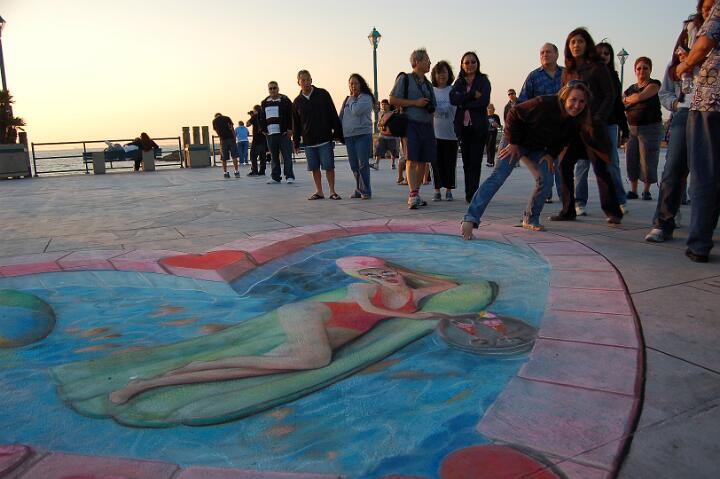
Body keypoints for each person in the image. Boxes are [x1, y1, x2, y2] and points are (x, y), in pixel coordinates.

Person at [108, 256, 459, 405]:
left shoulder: (413, 294)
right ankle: (153, 381)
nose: (385, 277)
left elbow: (448, 285)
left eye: (387, 272)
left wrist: (410, 275)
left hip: (328, 330)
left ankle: (151, 382)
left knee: (257, 367)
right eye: (377, 274)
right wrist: (416, 318)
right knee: (315, 360)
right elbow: (368, 311)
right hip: (311, 316)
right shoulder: (363, 288)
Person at [461, 82, 593, 239]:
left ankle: (530, 218)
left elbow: (563, 141)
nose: (577, 105)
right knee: (498, 176)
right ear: (565, 97)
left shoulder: (577, 120)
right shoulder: (544, 103)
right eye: (573, 100)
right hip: (515, 141)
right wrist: (513, 142)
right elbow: (514, 113)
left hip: (537, 148)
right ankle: (470, 218)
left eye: (581, 101)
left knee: (546, 179)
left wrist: (551, 155)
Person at [645, 0, 712, 243]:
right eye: (706, 9)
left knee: (706, 175)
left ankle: (702, 230)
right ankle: (663, 222)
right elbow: (670, 79)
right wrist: (676, 104)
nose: (710, 13)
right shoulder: (684, 48)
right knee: (673, 168)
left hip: (712, 111)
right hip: (686, 111)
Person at [550, 27, 624, 225]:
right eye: (572, 42)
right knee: (564, 165)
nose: (576, 45)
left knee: (601, 169)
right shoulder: (568, 72)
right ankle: (568, 210)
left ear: (587, 44)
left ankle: (613, 211)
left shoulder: (598, 67)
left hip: (593, 129)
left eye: (580, 41)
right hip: (573, 129)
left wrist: (598, 117)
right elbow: (563, 97)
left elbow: (610, 95)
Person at [676, 0, 720, 262]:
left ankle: (699, 244)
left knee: (704, 173)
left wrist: (685, 65)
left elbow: (704, 44)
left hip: (712, 101)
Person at [573, 41, 630, 215]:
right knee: (582, 164)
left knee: (611, 163)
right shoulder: (586, 74)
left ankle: (619, 200)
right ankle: (579, 201)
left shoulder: (613, 76)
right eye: (600, 53)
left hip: (608, 125)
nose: (603, 56)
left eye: (607, 53)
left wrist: (624, 128)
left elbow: (618, 105)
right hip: (586, 124)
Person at [390, 49, 437, 209]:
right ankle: (412, 194)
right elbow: (392, 99)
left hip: (426, 125)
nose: (430, 63)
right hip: (411, 124)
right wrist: (415, 103)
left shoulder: (429, 85)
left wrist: (432, 129)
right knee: (411, 158)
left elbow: (433, 108)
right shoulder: (405, 79)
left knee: (423, 160)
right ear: (417, 61)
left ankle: (416, 193)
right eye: (427, 60)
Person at [518, 43, 565, 203]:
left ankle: (565, 197)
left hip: (561, 127)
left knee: (561, 164)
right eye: (542, 52)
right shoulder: (533, 76)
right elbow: (522, 101)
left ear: (556, 55)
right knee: (545, 162)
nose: (545, 55)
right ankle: (546, 192)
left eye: (548, 52)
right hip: (540, 129)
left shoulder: (566, 74)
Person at [292, 70, 343, 200]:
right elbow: (296, 124)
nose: (306, 82)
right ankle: (319, 191)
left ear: (311, 80)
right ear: (298, 82)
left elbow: (332, 113)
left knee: (329, 166)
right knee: (314, 167)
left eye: (308, 79)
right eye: (303, 80)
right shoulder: (297, 101)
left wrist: (338, 132)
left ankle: (332, 191)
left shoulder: (323, 94)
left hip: (325, 138)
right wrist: (296, 142)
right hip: (309, 141)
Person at [450, 51, 491, 203]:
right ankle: (469, 192)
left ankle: (473, 194)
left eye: (473, 62)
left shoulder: (483, 81)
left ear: (477, 63)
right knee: (467, 163)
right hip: (463, 128)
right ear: (462, 65)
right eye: (467, 62)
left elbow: (483, 102)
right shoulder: (459, 82)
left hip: (478, 128)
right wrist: (472, 94)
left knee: (475, 162)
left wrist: (464, 103)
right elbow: (453, 99)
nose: (470, 65)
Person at [623, 57, 663, 201]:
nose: (642, 71)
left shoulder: (654, 84)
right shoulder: (630, 89)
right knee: (631, 158)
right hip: (632, 128)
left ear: (650, 70)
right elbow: (622, 101)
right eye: (639, 68)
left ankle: (646, 191)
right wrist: (629, 99)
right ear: (635, 70)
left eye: (645, 68)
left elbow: (640, 97)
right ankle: (633, 190)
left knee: (647, 159)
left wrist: (630, 99)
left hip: (650, 128)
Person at [340, 73, 374, 199]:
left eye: (355, 83)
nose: (353, 86)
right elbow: (342, 116)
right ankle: (359, 188)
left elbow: (356, 111)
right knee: (354, 164)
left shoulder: (366, 98)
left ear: (361, 84)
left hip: (362, 135)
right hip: (349, 136)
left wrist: (353, 99)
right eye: (351, 84)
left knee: (363, 164)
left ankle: (366, 190)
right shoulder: (347, 99)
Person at [430, 61, 458, 201]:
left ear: (449, 74)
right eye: (439, 72)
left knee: (450, 163)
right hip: (434, 134)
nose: (442, 75)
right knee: (436, 164)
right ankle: (437, 190)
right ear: (434, 75)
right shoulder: (431, 91)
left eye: (444, 72)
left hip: (451, 134)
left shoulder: (453, 90)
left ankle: (448, 190)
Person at [260, 81, 296, 185]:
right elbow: (261, 117)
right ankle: (275, 177)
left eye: (274, 88)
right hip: (270, 134)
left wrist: (291, 129)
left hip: (283, 133)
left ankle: (289, 176)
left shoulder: (285, 100)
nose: (272, 90)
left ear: (278, 88)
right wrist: (263, 129)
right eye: (270, 88)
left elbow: (292, 115)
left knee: (287, 156)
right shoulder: (264, 102)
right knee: (274, 157)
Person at [373, 100, 400, 170]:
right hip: (382, 136)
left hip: (391, 136)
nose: (383, 106)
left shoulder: (393, 113)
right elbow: (379, 123)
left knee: (393, 151)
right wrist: (379, 126)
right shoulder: (380, 113)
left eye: (385, 104)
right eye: (382, 104)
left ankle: (393, 163)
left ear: (389, 105)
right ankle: (376, 164)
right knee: (379, 150)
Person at [212, 112, 240, 178]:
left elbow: (216, 130)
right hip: (231, 139)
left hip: (223, 140)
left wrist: (220, 136)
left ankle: (225, 172)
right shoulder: (227, 118)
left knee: (223, 158)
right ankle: (236, 172)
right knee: (234, 156)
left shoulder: (214, 121)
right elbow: (231, 128)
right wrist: (234, 138)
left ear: (215, 116)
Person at [246, 105, 268, 176]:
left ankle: (254, 171)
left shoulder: (255, 116)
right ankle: (262, 171)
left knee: (253, 155)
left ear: (255, 110)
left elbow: (247, 124)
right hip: (264, 139)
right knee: (262, 156)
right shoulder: (264, 116)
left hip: (257, 139)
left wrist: (252, 116)